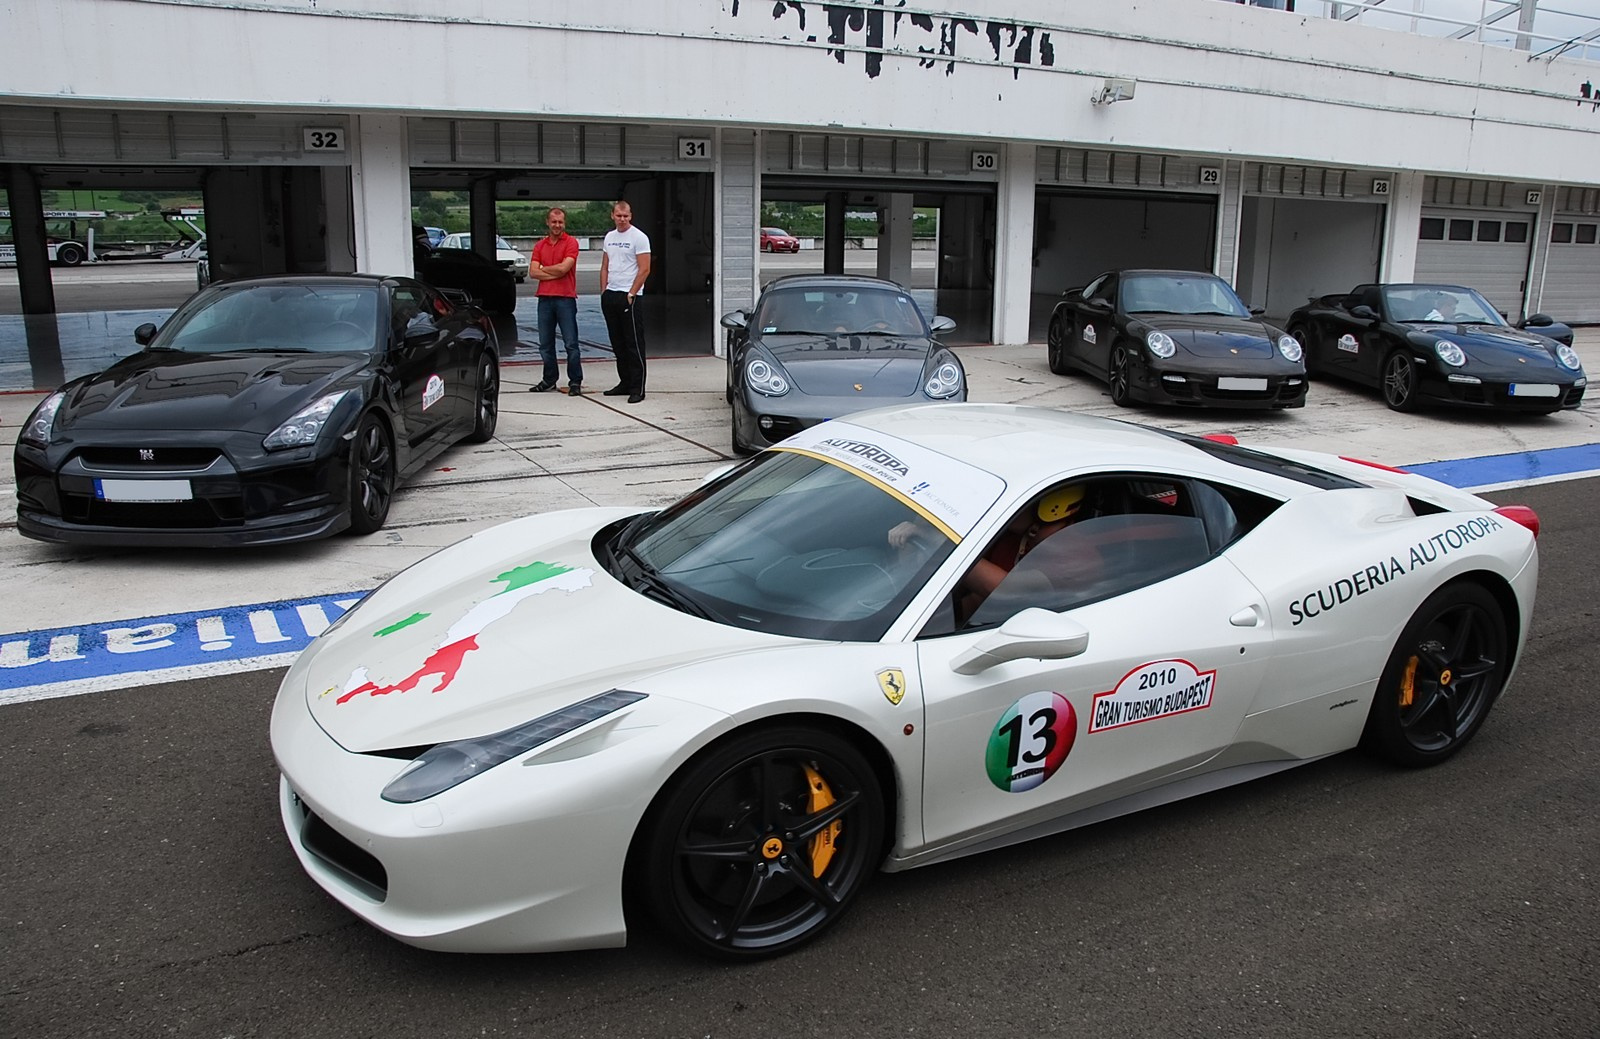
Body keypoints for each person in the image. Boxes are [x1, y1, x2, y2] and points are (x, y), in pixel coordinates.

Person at [599, 200, 652, 403]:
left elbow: (644, 268)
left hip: (629, 296)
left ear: (631, 216)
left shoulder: (639, 237)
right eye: (619, 215)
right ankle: (625, 382)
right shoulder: (609, 237)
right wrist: (604, 291)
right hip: (611, 294)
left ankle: (638, 388)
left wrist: (631, 293)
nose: (622, 219)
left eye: (626, 216)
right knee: (618, 343)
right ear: (612, 215)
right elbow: (605, 265)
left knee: (634, 344)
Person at [527, 207, 583, 395]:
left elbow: (564, 269)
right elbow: (533, 272)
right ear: (548, 222)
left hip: (565, 299)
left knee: (571, 343)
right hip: (544, 299)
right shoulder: (539, 245)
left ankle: (575, 381)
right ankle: (549, 379)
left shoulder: (571, 243)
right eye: (554, 222)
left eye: (560, 222)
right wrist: (555, 271)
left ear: (564, 223)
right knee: (545, 344)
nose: (557, 225)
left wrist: (544, 269)